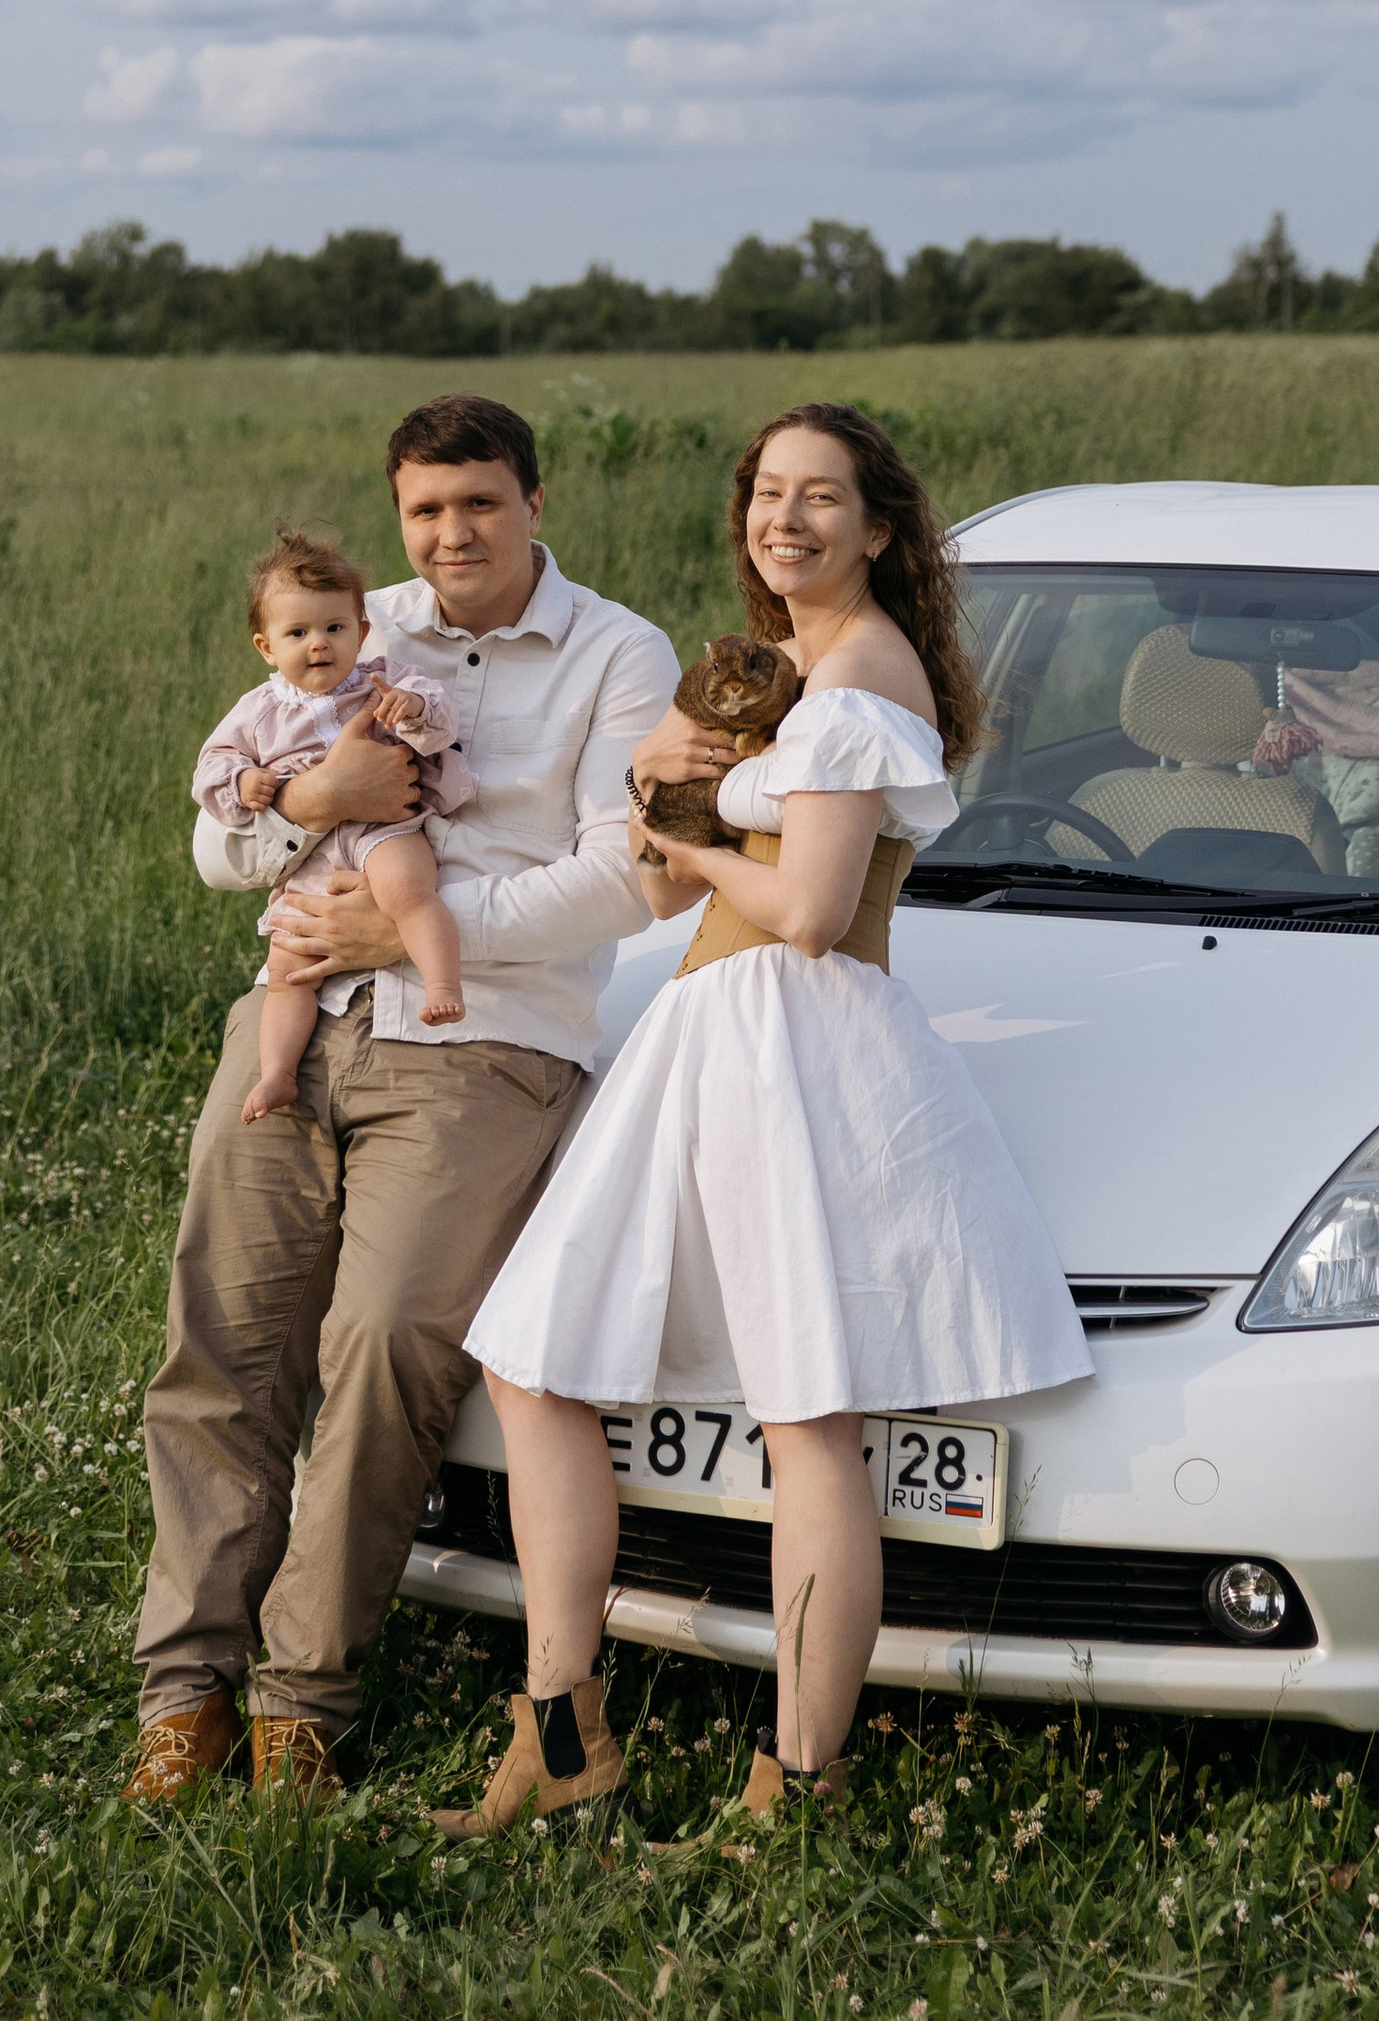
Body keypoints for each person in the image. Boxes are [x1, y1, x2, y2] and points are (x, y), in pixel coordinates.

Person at [435, 402, 1090, 1843]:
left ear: (879, 528)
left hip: (796, 1039)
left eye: (820, 499)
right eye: (766, 495)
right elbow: (681, 878)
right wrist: (679, 781)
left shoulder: (861, 679)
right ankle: (561, 1726)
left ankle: (801, 1777)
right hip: (707, 1028)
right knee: (539, 1359)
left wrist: (679, 836)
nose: (785, 519)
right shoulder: (783, 671)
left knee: (808, 1424)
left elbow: (803, 911)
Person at [126, 395, 678, 1806]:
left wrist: (418, 932)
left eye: (480, 504)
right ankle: (183, 1688)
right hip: (294, 1020)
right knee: (223, 1346)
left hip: (483, 1041)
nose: (452, 535)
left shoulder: (618, 655)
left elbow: (624, 875)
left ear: (535, 502)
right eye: (427, 511)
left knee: (383, 1350)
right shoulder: (346, 629)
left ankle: (302, 1696)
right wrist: (316, 805)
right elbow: (214, 844)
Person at [194, 528, 478, 1122]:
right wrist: (243, 783)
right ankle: (277, 1074)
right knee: (287, 967)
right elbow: (212, 767)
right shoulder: (258, 711)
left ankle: (443, 986)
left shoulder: (383, 681)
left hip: (384, 831)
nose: (318, 645)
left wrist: (417, 709)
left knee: (408, 892)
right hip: (310, 860)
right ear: (265, 646)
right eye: (297, 633)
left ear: (362, 633)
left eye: (333, 629)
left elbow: (442, 718)